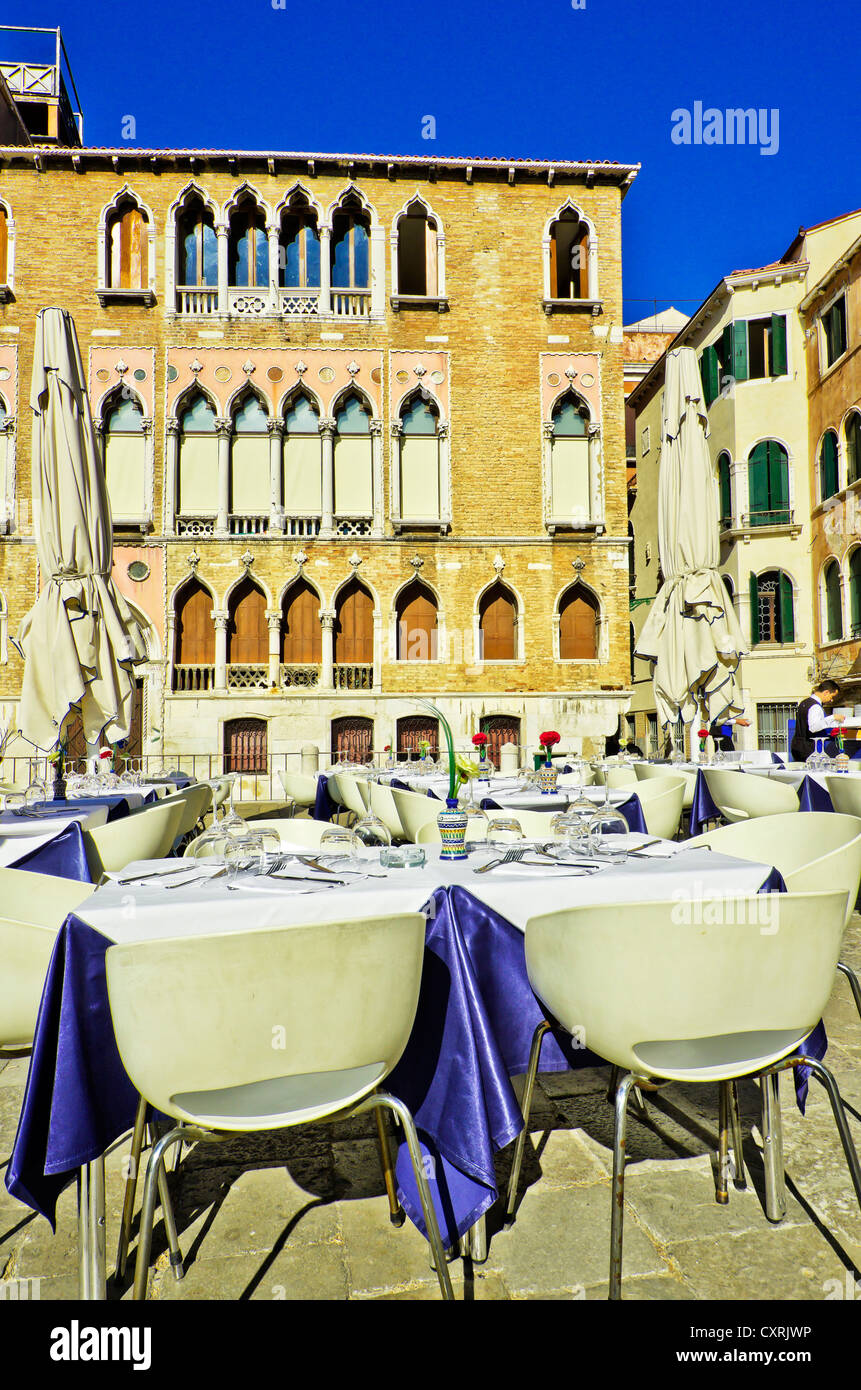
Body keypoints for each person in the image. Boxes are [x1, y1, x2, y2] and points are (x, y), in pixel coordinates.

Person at [790, 679, 840, 762]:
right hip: (809, 749)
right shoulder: (815, 706)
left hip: (797, 745)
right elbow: (813, 727)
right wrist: (833, 717)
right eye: (832, 697)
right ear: (826, 692)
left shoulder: (804, 702)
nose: (831, 700)